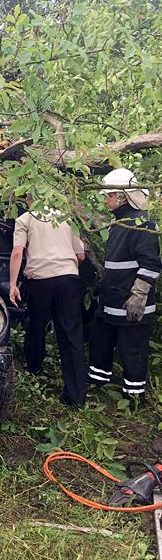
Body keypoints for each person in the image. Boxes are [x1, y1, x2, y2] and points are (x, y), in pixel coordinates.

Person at [88, 168, 161, 406]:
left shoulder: (143, 225)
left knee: (133, 350)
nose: (106, 200)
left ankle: (134, 396)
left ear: (122, 196)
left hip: (132, 303)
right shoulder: (119, 224)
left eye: (109, 195)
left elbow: (150, 263)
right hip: (111, 301)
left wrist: (139, 295)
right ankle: (98, 383)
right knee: (101, 342)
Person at [9, 196, 87, 407]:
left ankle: (34, 369)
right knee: (71, 334)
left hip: (40, 281)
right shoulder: (66, 218)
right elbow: (81, 256)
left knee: (36, 326)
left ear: (29, 198)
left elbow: (18, 252)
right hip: (68, 280)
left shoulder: (25, 219)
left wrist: (13, 284)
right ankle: (76, 395)